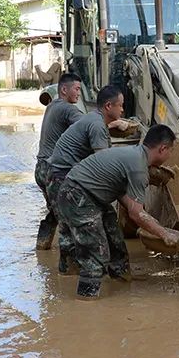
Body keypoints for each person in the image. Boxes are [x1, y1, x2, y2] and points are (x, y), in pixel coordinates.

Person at [57, 125, 179, 299]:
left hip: (88, 194)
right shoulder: (138, 167)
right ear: (162, 148)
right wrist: (164, 234)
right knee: (96, 253)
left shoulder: (135, 155)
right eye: (170, 151)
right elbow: (136, 214)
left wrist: (152, 223)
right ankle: (86, 301)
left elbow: (123, 197)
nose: (170, 155)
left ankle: (121, 277)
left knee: (114, 235)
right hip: (77, 195)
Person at [46, 85, 126, 275]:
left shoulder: (95, 119)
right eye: (120, 106)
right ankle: (72, 276)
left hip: (66, 174)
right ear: (108, 106)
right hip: (62, 178)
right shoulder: (97, 125)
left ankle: (73, 274)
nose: (122, 110)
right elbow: (105, 165)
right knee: (70, 230)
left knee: (100, 219)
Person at [34, 73, 84, 250]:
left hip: (40, 168)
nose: (79, 93)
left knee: (56, 210)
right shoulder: (67, 109)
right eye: (77, 89)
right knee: (66, 216)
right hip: (52, 171)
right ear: (64, 89)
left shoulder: (52, 106)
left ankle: (42, 245)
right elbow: (90, 125)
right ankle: (67, 269)